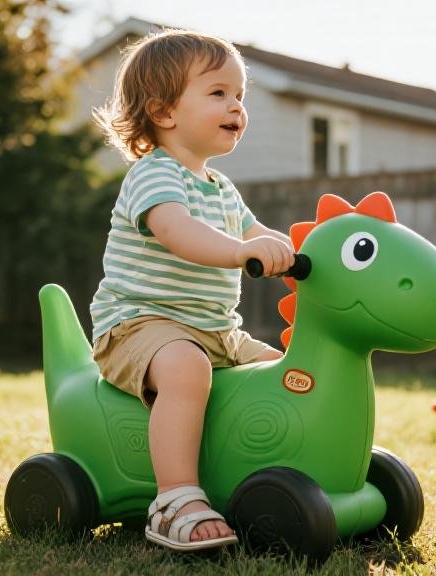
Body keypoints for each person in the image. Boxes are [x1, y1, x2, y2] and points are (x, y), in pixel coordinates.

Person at [90, 28, 295, 551]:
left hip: (216, 330)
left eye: (240, 95)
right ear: (163, 112)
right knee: (186, 367)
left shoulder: (221, 187)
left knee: (288, 370)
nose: (237, 106)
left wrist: (297, 257)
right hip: (140, 325)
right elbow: (178, 232)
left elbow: (259, 235)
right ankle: (174, 500)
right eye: (219, 92)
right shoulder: (154, 175)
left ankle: (282, 468)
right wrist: (241, 252)